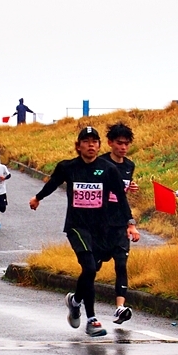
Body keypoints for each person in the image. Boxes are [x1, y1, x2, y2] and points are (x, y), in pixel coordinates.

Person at [29, 126, 129, 337]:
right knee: (90, 268)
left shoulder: (108, 169)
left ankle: (75, 301)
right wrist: (38, 198)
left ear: (99, 146)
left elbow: (121, 197)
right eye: (86, 141)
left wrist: (130, 222)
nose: (90, 145)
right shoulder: (68, 167)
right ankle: (92, 320)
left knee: (91, 270)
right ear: (78, 146)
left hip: (100, 228)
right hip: (76, 226)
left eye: (94, 141)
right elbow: (53, 183)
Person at [100, 123, 141, 325]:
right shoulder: (100, 163)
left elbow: (121, 196)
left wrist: (128, 188)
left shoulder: (129, 166)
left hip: (120, 223)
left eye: (126, 144)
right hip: (100, 223)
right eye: (119, 143)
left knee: (121, 264)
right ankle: (77, 299)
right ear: (110, 143)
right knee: (93, 266)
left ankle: (120, 308)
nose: (123, 147)